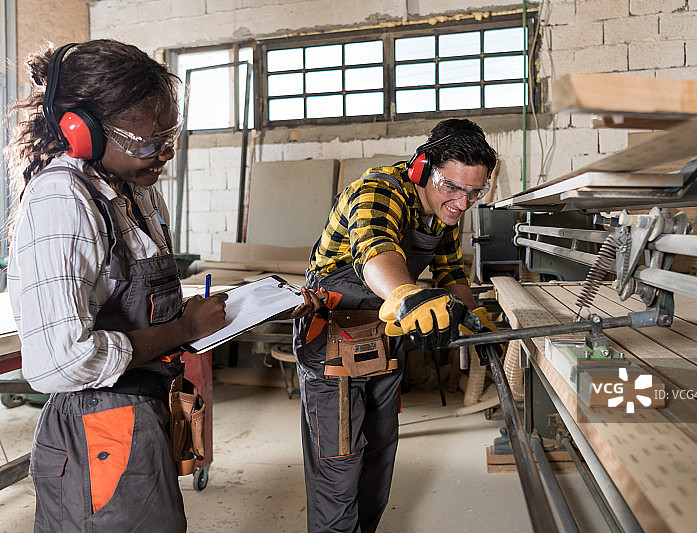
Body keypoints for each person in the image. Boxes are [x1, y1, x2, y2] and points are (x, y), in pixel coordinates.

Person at [5, 40, 320, 532]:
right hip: (97, 428)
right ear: (81, 130)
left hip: (140, 410)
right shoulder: (61, 199)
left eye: (171, 137)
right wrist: (181, 328)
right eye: (148, 143)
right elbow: (60, 362)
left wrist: (237, 312)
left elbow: (129, 302)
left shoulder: (134, 192)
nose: (165, 155)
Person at [293, 118, 499, 532]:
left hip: (386, 335)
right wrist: (406, 297)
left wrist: (475, 320)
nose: (461, 203)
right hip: (336, 331)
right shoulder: (378, 190)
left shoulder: (443, 213)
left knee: (379, 453)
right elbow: (374, 249)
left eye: (474, 192)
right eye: (452, 188)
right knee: (340, 462)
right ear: (422, 168)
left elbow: (450, 270)